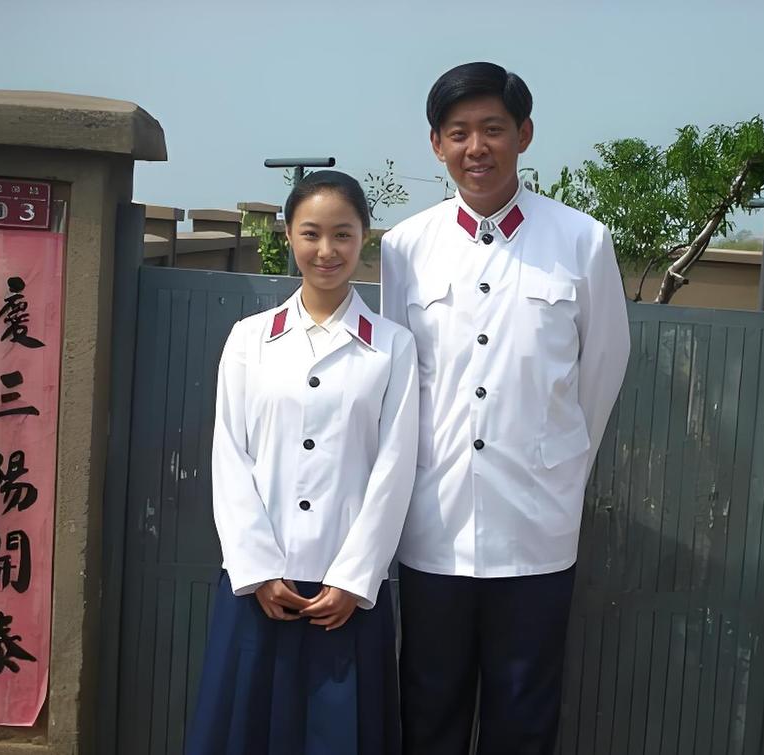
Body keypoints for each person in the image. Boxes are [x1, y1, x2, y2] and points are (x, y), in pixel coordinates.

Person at [380, 62, 631, 754]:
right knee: (427, 708)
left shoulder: (581, 241)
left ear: (524, 134)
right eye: (458, 132)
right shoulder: (405, 248)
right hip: (434, 522)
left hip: (536, 526)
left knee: (524, 716)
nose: (476, 147)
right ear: (436, 144)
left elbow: (601, 369)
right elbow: (397, 382)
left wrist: (557, 465)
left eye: (492, 128)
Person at [187, 171, 418, 755]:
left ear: (364, 237)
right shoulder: (249, 340)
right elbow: (229, 455)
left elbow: (396, 466)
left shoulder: (392, 346)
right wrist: (259, 569)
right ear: (288, 234)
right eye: (311, 233)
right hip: (260, 587)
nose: (326, 250)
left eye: (343, 234)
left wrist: (354, 580)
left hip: (347, 596)